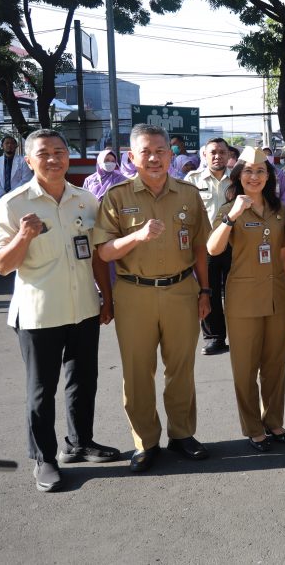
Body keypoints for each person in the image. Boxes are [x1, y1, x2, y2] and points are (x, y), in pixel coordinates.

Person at [0, 129, 118, 492]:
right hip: (39, 313)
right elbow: (1, 264)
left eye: (60, 151)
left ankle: (80, 442)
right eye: (44, 153)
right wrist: (23, 237)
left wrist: (106, 298)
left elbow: (95, 255)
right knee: (41, 390)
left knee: (84, 379)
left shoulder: (84, 200)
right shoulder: (14, 205)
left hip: (83, 308)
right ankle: (44, 459)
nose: (54, 159)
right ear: (29, 161)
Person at [94, 124, 212, 472]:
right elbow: (104, 252)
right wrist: (138, 237)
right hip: (135, 292)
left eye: (161, 150)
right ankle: (145, 442)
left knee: (181, 369)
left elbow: (200, 248)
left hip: (181, 291)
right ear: (132, 157)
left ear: (170, 154)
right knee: (137, 373)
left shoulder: (188, 195)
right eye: (146, 151)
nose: (155, 157)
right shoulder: (117, 196)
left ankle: (182, 434)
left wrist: (205, 291)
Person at [207, 147, 285, 452]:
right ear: (239, 176)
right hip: (243, 299)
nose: (255, 177)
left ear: (269, 177)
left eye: (261, 171)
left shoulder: (279, 210)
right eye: (248, 171)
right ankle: (252, 427)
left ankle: (273, 421)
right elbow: (213, 249)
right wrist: (232, 216)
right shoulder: (228, 209)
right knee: (245, 368)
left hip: (276, 296)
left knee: (275, 364)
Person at [185, 137, 233, 355]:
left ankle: (242, 333)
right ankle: (215, 338)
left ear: (228, 156)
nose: (217, 156)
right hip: (205, 246)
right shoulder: (192, 180)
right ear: (204, 155)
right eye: (213, 152)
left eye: (222, 152)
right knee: (208, 291)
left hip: (234, 244)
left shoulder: (239, 179)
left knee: (236, 292)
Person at [0, 134, 32, 200]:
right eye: (7, 143)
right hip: (1, 197)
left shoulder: (23, 161)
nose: (10, 145)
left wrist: (11, 194)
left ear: (16, 146)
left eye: (12, 143)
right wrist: (3, 194)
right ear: (2, 146)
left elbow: (26, 179)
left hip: (19, 196)